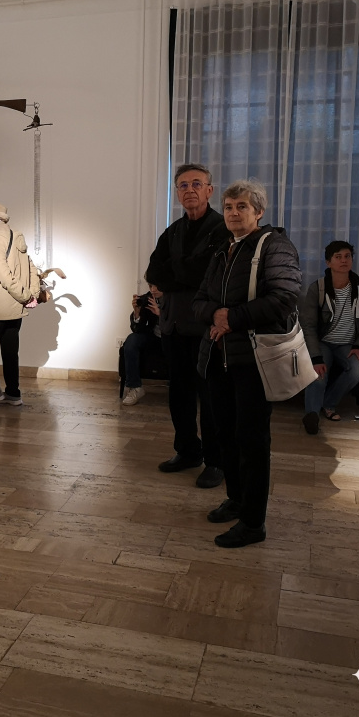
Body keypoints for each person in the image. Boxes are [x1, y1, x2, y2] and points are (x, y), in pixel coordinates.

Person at [193, 179, 301, 548]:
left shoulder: (275, 246)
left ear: (259, 212)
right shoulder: (223, 249)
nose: (234, 213)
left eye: (242, 206)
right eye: (228, 207)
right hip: (219, 357)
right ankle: (237, 500)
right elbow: (200, 300)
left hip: (255, 360)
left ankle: (254, 522)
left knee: (252, 441)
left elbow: (284, 297)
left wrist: (231, 318)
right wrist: (216, 314)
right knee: (226, 435)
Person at [145, 163, 229, 487]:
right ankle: (187, 451)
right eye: (183, 185)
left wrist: (175, 272)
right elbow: (154, 272)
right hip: (175, 326)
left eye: (196, 183)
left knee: (211, 398)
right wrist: (185, 271)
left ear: (209, 190)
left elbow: (207, 275)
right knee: (179, 394)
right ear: (177, 192)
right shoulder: (172, 232)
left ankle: (216, 461)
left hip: (206, 329)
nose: (189, 190)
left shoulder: (222, 229)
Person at [298, 240, 359, 434]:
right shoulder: (318, 288)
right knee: (318, 374)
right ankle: (312, 415)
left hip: (348, 344)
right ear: (328, 262)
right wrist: (315, 357)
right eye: (338, 257)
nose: (344, 261)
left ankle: (328, 403)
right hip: (323, 342)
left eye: (347, 256)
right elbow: (308, 325)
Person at [0, 201, 41, 407]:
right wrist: (32, 295)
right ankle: (13, 393)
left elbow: (3, 275)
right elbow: (32, 269)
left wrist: (26, 296)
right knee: (10, 351)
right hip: (15, 307)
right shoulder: (16, 236)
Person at [121, 280, 163, 406]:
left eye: (156, 285)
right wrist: (137, 313)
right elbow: (137, 330)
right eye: (150, 286)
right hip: (153, 337)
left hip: (172, 337)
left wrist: (160, 314)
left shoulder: (175, 299)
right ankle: (135, 387)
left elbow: (180, 323)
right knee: (131, 340)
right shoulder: (147, 299)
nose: (153, 289)